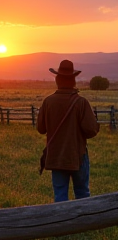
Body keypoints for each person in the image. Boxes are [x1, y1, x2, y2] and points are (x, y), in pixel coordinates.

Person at [37, 60, 100, 202]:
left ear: (57, 79)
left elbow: (41, 129)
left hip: (56, 157)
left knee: (60, 196)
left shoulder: (48, 102)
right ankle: (83, 224)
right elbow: (91, 131)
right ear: (73, 80)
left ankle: (62, 222)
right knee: (83, 195)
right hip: (78, 155)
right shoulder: (81, 102)